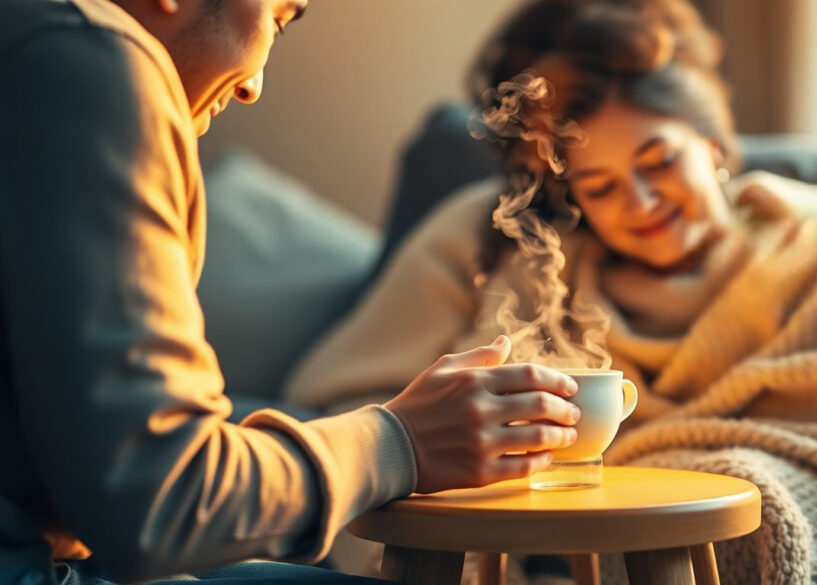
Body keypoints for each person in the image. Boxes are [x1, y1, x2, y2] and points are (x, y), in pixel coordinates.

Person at [284, 1, 817, 583]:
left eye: (659, 160)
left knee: (738, 491)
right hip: (599, 530)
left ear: (712, 143)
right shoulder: (545, 267)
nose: (639, 201)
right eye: (601, 186)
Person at [0, 1, 586, 584]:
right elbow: (165, 502)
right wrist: (399, 442)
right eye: (279, 17)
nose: (254, 86)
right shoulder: (88, 62)